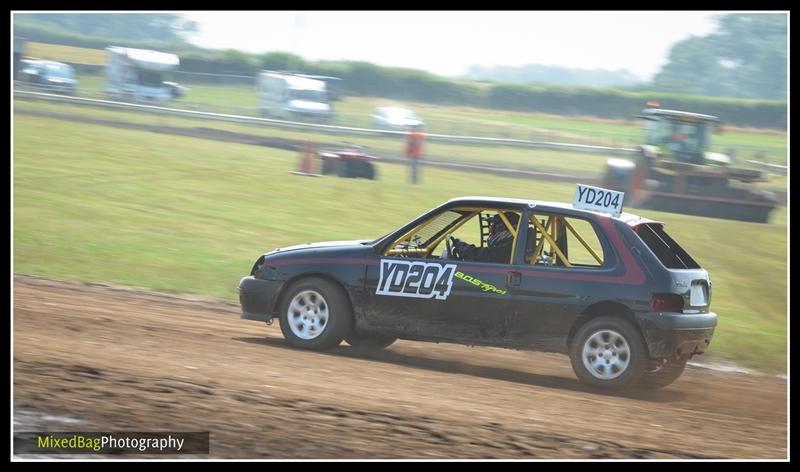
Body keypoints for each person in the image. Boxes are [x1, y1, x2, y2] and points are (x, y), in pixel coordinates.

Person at [451, 212, 519, 263]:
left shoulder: (507, 250)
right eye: (491, 225)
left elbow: (479, 255)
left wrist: (459, 245)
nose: (491, 229)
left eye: (495, 226)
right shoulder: (515, 246)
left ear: (511, 229)